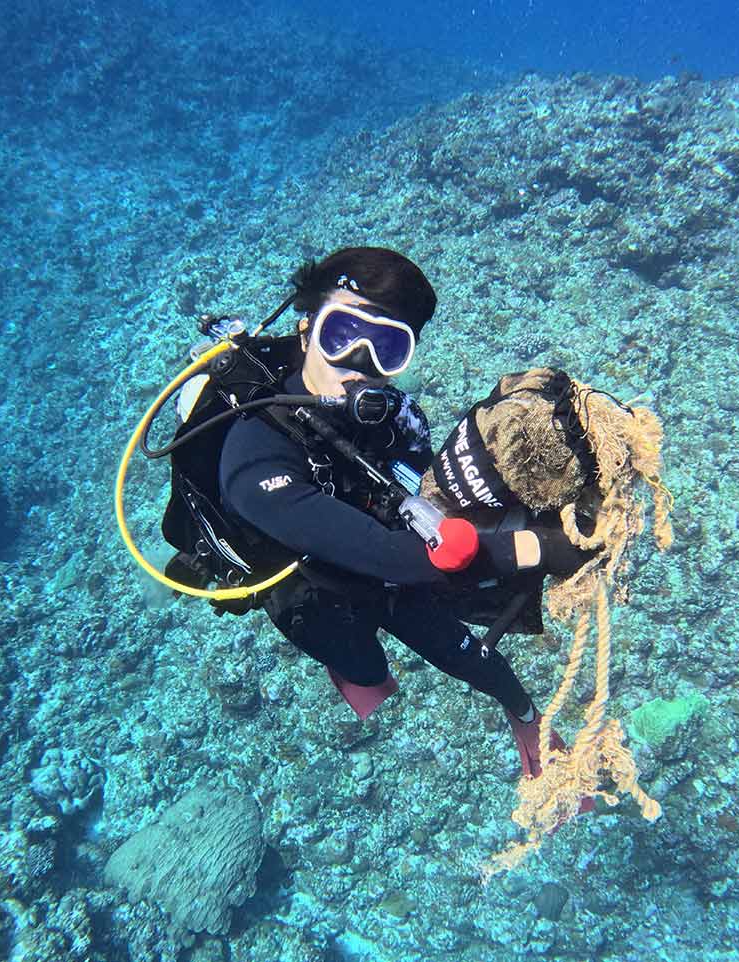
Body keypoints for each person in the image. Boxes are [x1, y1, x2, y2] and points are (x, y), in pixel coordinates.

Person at [217, 247, 588, 777]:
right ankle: (356, 672)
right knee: (366, 669)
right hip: (309, 584)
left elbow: (421, 496)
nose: (359, 364)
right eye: (342, 334)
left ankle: (525, 717)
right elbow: (394, 557)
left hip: (388, 561)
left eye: (386, 347)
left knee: (468, 654)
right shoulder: (253, 457)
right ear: (306, 332)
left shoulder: (394, 418)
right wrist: (543, 547)